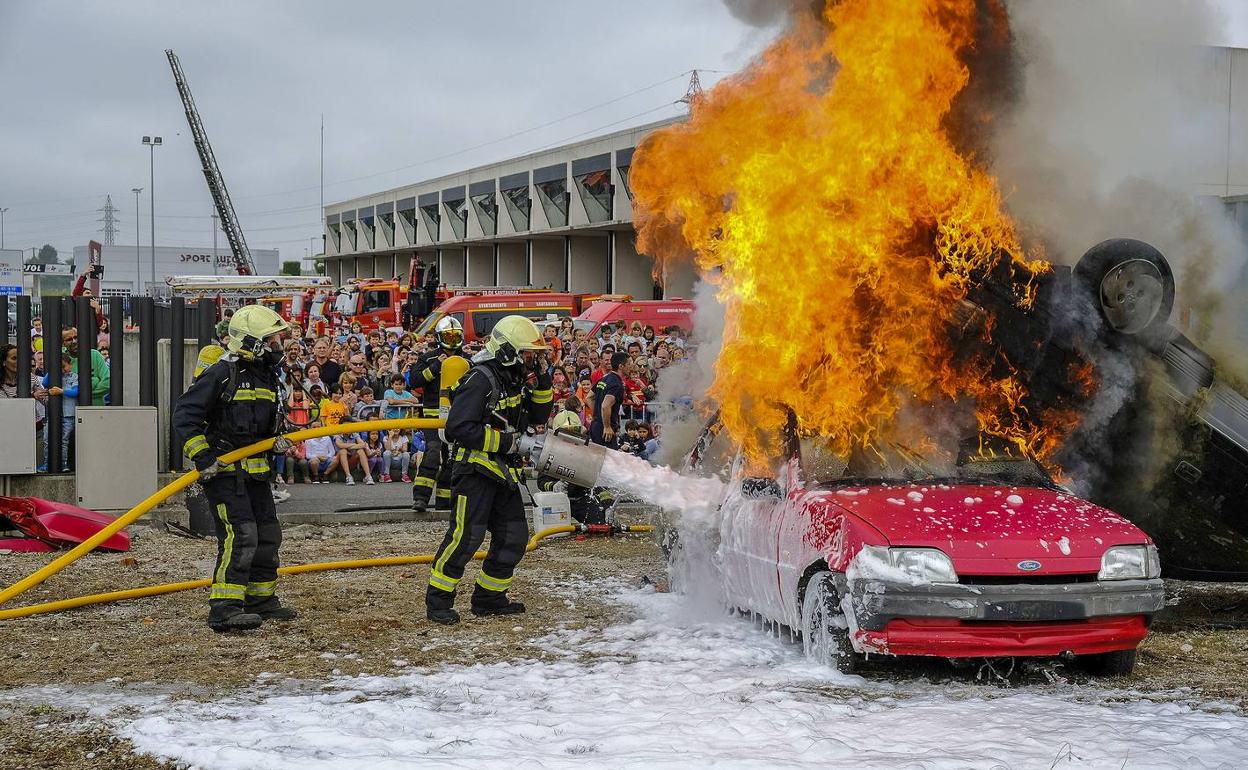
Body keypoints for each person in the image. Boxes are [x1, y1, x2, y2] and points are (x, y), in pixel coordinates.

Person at [172, 305, 298, 633]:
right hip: (225, 474)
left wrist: (277, 439)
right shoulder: (222, 373)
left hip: (256, 474)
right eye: (272, 340)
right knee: (241, 536)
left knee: (268, 534)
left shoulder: (267, 376)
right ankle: (225, 609)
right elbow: (184, 416)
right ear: (253, 342)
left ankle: (261, 600)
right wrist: (203, 458)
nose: (278, 346)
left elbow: (261, 423)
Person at [425, 315, 553, 625]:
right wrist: (505, 442)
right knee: (466, 537)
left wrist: (544, 378)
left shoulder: (516, 378)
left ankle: (489, 598)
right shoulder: (481, 378)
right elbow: (458, 427)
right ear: (507, 351)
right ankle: (438, 601)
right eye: (527, 353)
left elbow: (537, 413)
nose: (531, 359)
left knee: (514, 537)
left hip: (503, 473)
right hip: (475, 471)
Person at [411, 315, 466, 513]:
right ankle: (421, 498)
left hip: (457, 416)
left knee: (452, 458)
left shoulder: (466, 360)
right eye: (448, 337)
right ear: (439, 337)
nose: (452, 341)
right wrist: (435, 367)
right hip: (433, 417)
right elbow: (414, 381)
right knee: (433, 452)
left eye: (455, 337)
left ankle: (444, 502)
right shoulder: (429, 358)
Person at [39, 353, 78, 471]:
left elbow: (75, 392)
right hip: (53, 414)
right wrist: (52, 370)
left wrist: (61, 391)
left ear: (70, 365)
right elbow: (45, 383)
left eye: (64, 366)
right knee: (47, 439)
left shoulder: (74, 377)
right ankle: (47, 463)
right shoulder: (55, 376)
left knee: (64, 440)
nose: (62, 370)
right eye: (59, 367)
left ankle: (64, 463)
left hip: (68, 414)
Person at [590, 352, 630, 449]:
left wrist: (597, 415)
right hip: (605, 430)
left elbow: (589, 397)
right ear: (621, 366)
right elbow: (605, 405)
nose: (631, 367)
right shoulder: (617, 384)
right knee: (610, 461)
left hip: (595, 425)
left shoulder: (604, 379)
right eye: (628, 364)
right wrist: (607, 426)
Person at [62, 328, 109, 405]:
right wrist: (94, 382)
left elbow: (107, 382)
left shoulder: (95, 355)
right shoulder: (61, 359)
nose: (74, 341)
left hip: (96, 409)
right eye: (69, 339)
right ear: (63, 343)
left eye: (76, 337)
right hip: (71, 411)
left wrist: (78, 393)